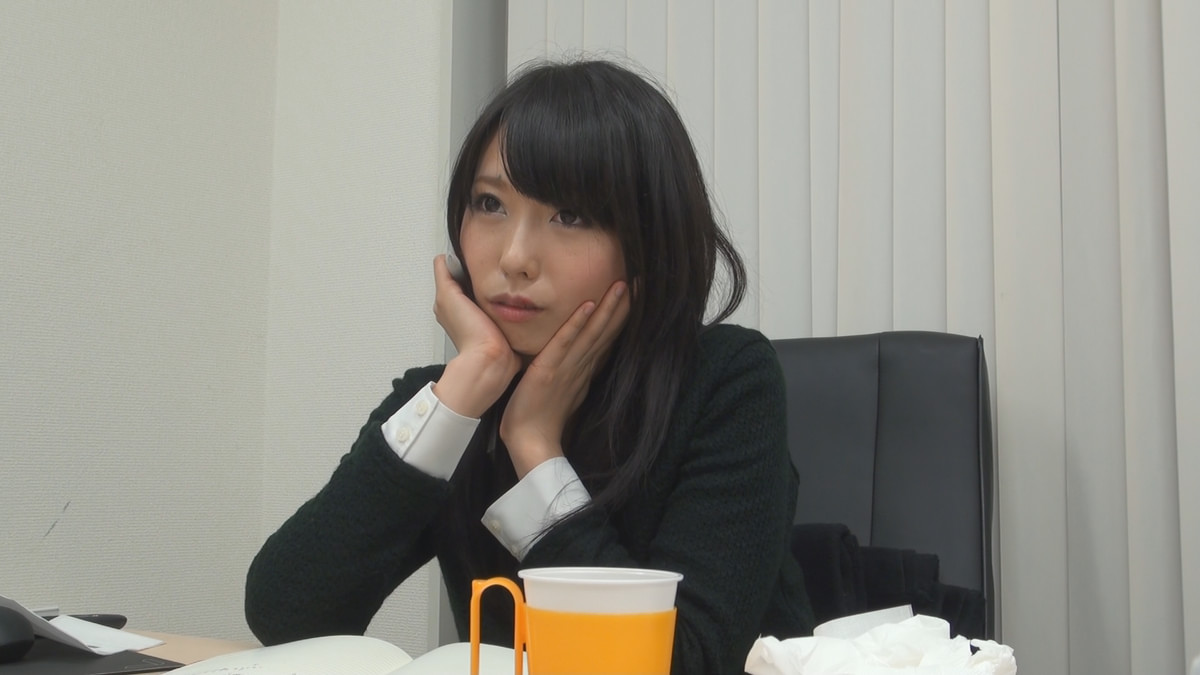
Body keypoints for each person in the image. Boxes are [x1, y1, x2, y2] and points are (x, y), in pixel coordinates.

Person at [244, 58, 815, 673]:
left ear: (647, 240)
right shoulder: (456, 398)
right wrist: (459, 397)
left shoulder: (726, 382)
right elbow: (287, 618)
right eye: (490, 203)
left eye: (570, 216)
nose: (514, 257)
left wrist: (536, 449)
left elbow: (688, 662)